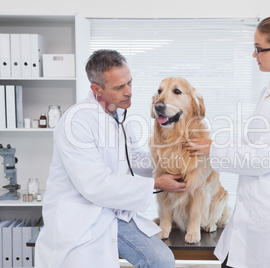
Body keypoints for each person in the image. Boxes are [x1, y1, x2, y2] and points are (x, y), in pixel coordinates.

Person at [185, 15, 270, 267]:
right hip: (253, 217)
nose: (254, 55)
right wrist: (211, 144)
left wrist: (214, 148)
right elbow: (252, 141)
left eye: (259, 49)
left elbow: (263, 158)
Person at [35, 49, 186, 268]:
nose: (129, 92)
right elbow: (95, 184)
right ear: (97, 90)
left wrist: (168, 164)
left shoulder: (119, 114)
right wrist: (156, 183)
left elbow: (131, 158)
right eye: (119, 87)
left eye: (130, 83)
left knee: (161, 260)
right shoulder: (75, 123)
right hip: (83, 215)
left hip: (115, 210)